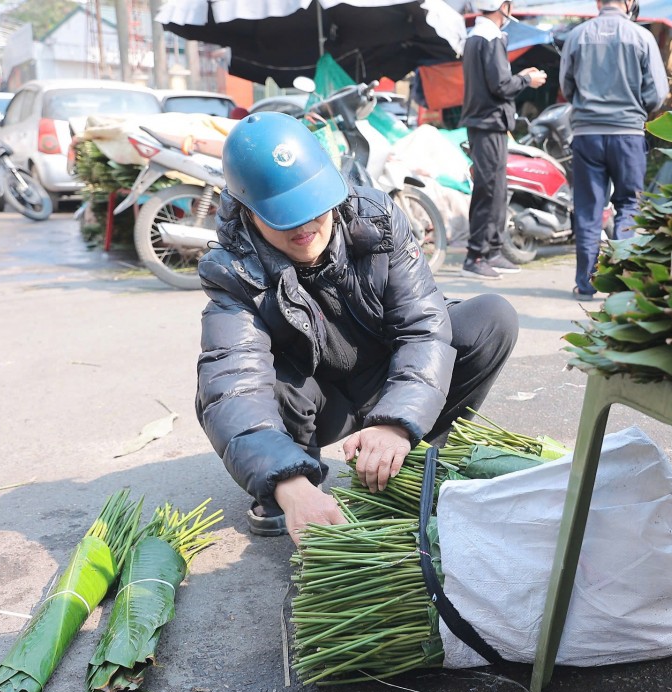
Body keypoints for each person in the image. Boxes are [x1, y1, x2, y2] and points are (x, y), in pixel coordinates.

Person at [196, 112, 519, 543]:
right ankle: (293, 481)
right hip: (317, 403)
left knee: (491, 318)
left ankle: (417, 454)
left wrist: (398, 422)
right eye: (283, 216)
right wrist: (287, 483)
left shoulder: (377, 219)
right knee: (247, 388)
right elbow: (233, 386)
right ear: (248, 212)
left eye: (313, 205)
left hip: (386, 374)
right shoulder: (233, 271)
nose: (305, 226)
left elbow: (423, 327)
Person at [560, 0, 669, 299]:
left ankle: (586, 284)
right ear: (629, 2)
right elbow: (658, 93)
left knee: (588, 210)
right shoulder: (642, 37)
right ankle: (620, 284)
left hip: (587, 135)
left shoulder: (577, 36)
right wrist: (634, 108)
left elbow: (567, 87)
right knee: (629, 205)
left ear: (598, 2)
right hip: (627, 135)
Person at [460, 0, 547, 280]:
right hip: (487, 123)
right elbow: (501, 86)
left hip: (489, 123)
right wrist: (527, 80)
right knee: (488, 190)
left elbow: (494, 83)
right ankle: (476, 256)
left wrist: (519, 77)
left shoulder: (479, 36)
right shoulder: (489, 38)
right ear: (503, 6)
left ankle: (492, 252)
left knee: (497, 189)